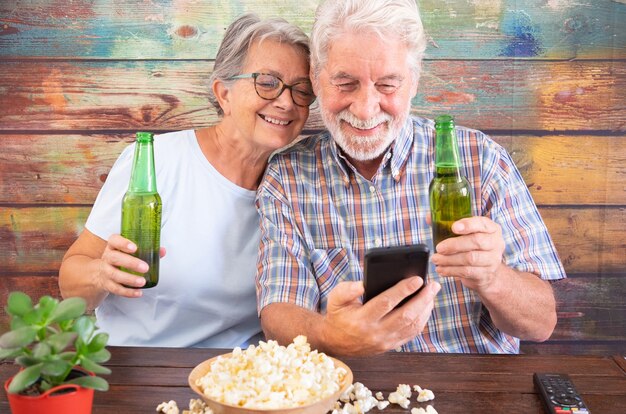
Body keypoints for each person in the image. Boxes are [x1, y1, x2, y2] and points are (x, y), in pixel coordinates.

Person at [255, 0, 566, 356]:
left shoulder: (482, 160)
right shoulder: (288, 175)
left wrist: (493, 277)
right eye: (345, 83)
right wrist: (331, 335)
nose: (365, 108)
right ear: (316, 78)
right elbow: (277, 312)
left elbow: (541, 324)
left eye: (387, 85)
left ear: (413, 82)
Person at [59, 14, 314, 347]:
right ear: (224, 93)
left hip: (239, 381)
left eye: (302, 90)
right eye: (267, 82)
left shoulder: (297, 183)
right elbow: (70, 284)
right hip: (139, 372)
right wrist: (101, 275)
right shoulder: (158, 161)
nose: (285, 102)